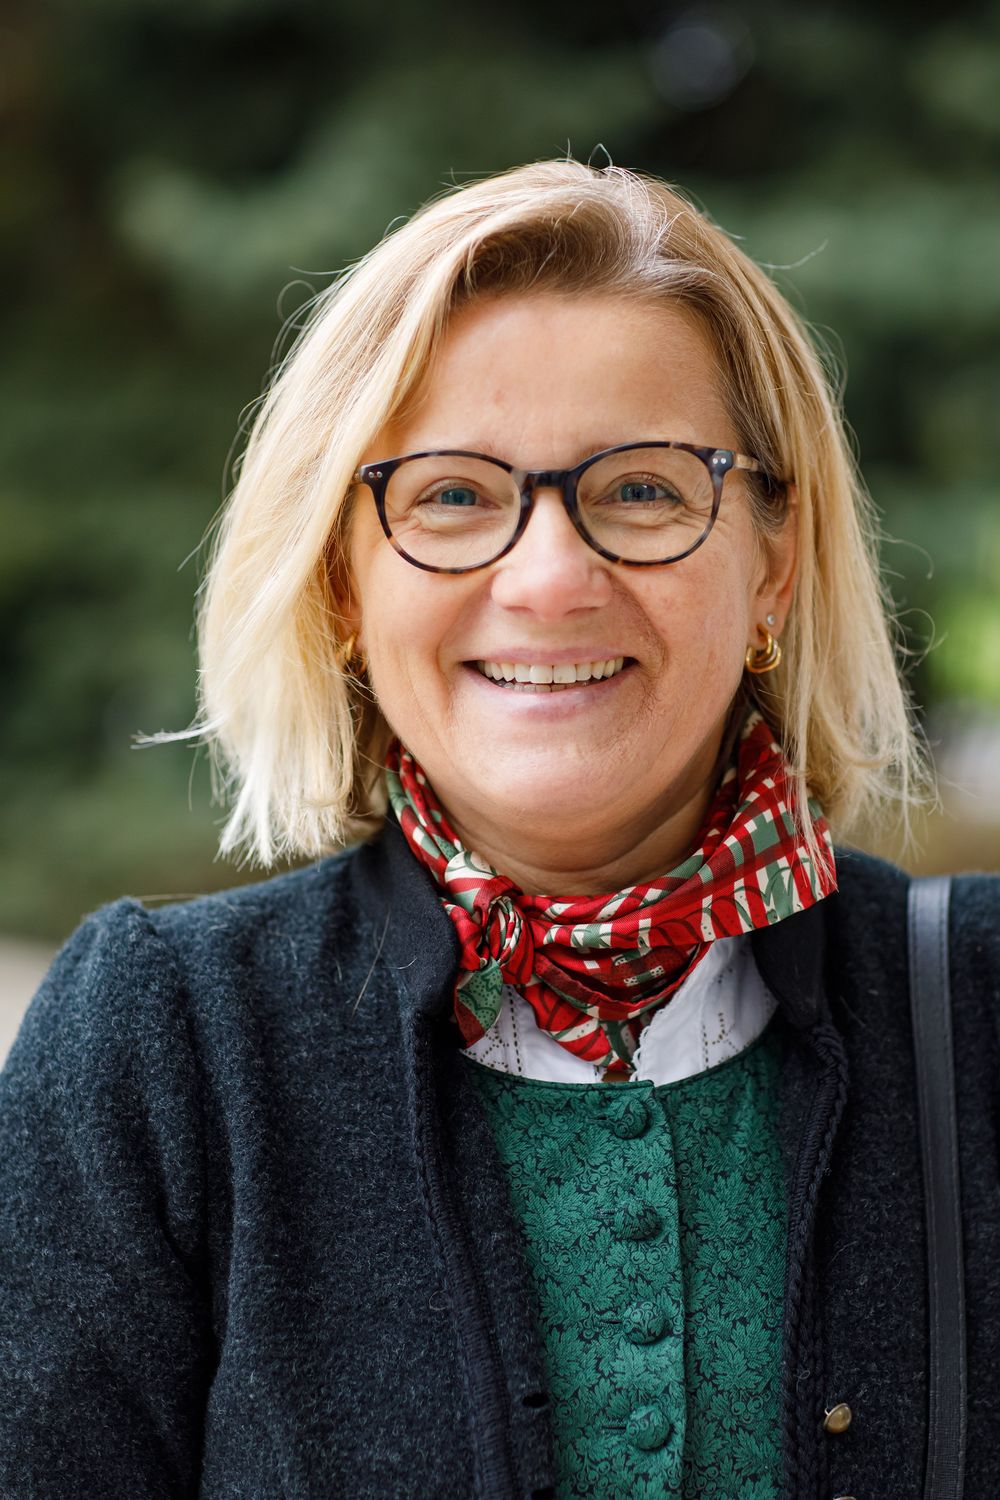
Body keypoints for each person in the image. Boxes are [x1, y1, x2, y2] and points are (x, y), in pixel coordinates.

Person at [1, 160, 996, 1500]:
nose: (549, 578)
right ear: (342, 584)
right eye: (453, 496)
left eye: (642, 489)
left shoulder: (981, 1008)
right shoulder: (165, 1049)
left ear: (770, 563)